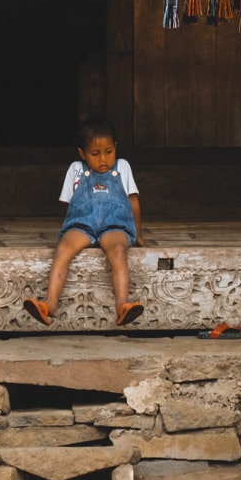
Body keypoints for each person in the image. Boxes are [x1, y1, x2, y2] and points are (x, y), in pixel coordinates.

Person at [23, 117, 146, 326]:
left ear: (116, 147)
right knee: (64, 248)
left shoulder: (122, 167)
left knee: (117, 250)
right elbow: (71, 204)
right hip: (82, 224)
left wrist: (138, 234)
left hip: (114, 225)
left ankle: (122, 305)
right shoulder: (76, 169)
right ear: (82, 153)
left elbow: (133, 201)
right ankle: (50, 304)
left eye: (109, 151)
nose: (103, 159)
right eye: (95, 154)